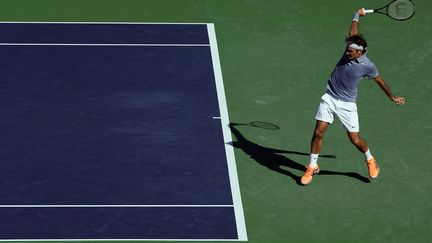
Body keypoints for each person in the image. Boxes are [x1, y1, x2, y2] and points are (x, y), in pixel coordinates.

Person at [300, 8, 406, 185]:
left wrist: (392, 97)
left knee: (355, 140)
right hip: (330, 97)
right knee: (318, 132)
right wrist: (357, 15)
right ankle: (312, 166)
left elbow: (380, 81)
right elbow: (353, 31)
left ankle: (370, 159)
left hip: (347, 104)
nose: (346, 52)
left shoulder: (368, 66)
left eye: (350, 51)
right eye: (347, 49)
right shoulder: (350, 49)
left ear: (360, 52)